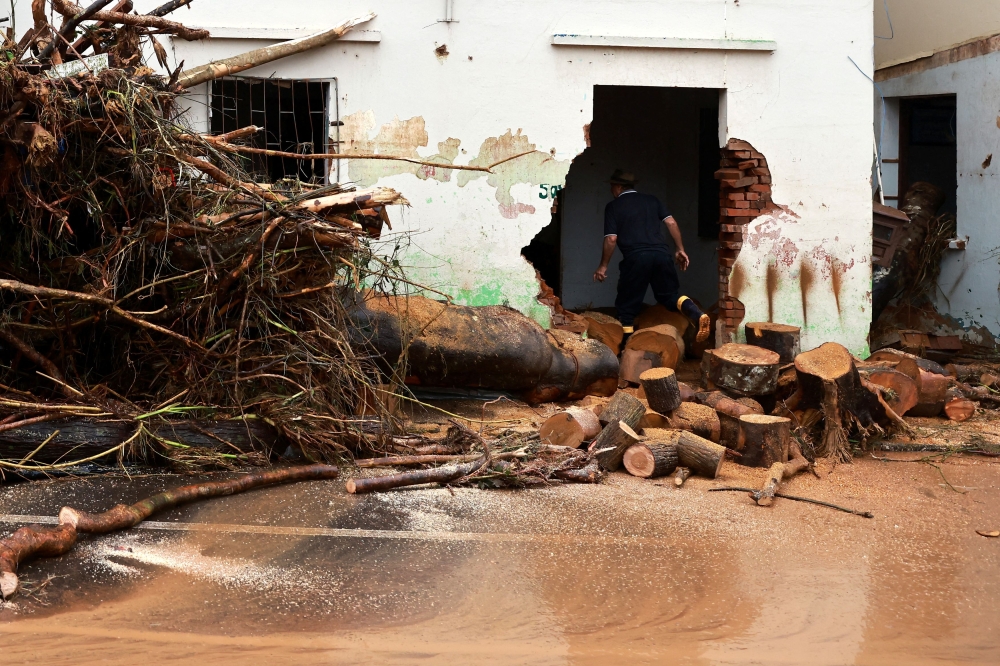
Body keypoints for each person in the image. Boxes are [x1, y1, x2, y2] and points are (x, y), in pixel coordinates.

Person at [593, 169, 711, 343]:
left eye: (612, 186)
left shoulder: (613, 206)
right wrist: (680, 249)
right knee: (670, 296)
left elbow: (611, 239)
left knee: (627, 305)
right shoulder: (652, 200)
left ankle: (625, 348)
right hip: (661, 255)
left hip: (636, 258)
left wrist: (603, 266)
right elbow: (671, 222)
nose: (612, 190)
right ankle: (698, 314)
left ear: (618, 187)